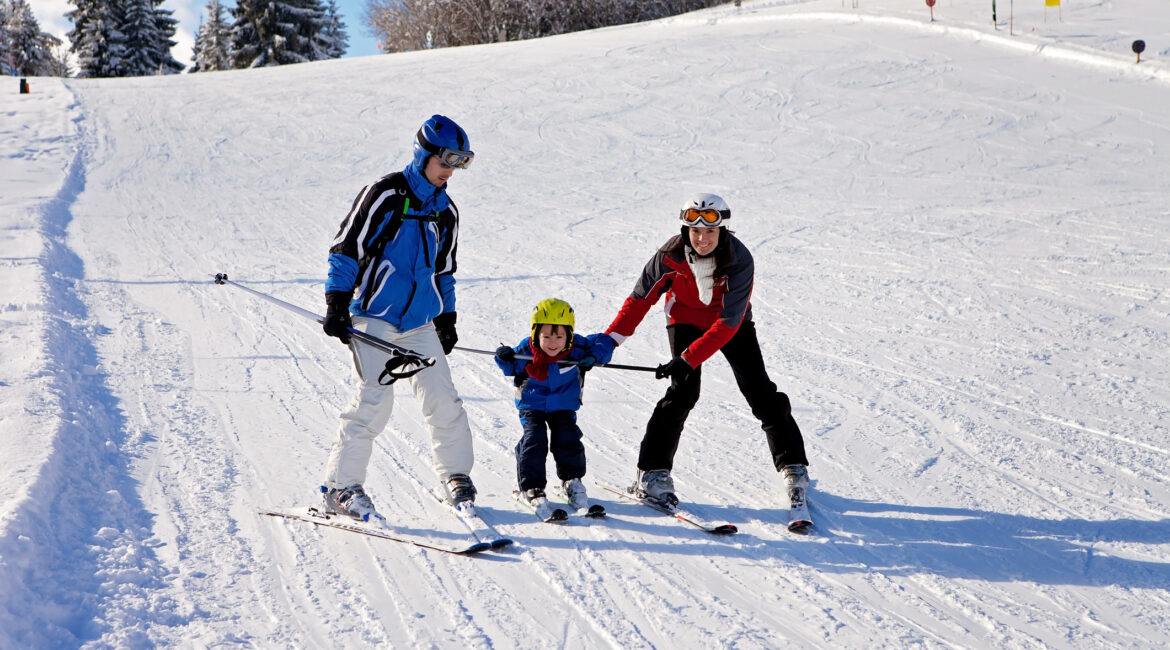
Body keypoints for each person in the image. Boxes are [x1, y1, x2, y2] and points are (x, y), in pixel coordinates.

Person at [604, 193, 811, 508]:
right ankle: (652, 472)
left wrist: (687, 359)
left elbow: (728, 324)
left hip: (730, 322)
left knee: (759, 391)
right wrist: (609, 342)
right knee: (683, 394)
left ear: (723, 231)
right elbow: (639, 300)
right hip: (684, 319)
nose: (701, 238)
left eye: (710, 231)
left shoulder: (740, 260)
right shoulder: (668, 256)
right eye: (694, 230)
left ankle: (793, 466)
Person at [319, 115, 478, 520]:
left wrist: (447, 318)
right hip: (375, 316)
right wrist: (337, 303)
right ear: (424, 155)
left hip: (420, 321)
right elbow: (346, 249)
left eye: (459, 164)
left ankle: (456, 476)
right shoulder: (385, 194)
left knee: (444, 399)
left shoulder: (446, 212)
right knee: (373, 400)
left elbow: (444, 271)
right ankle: (340, 488)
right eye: (446, 162)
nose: (451, 172)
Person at [494, 298, 614, 511]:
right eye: (546, 336)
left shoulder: (577, 348)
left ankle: (571, 481)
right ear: (535, 334)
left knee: (567, 437)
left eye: (559, 336)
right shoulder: (526, 349)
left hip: (564, 404)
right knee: (535, 439)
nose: (553, 342)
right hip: (532, 404)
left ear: (569, 334)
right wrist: (504, 357)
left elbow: (604, 342)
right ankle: (531, 487)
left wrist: (593, 356)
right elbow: (510, 367)